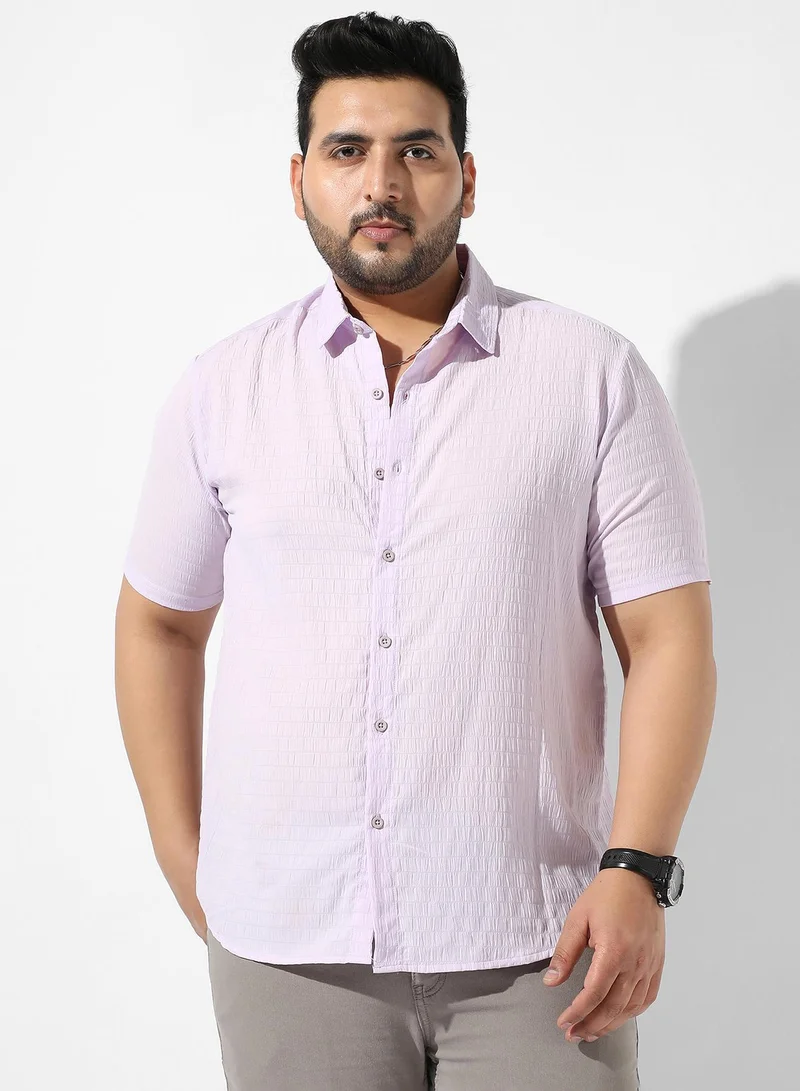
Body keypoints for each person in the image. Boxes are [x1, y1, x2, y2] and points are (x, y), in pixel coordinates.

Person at [114, 11, 716, 1090]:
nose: (380, 183)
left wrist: (636, 865)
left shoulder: (590, 376)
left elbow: (667, 636)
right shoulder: (223, 390)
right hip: (289, 948)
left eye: (417, 150)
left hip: (541, 940)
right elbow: (158, 620)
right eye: (346, 150)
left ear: (466, 179)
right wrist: (180, 847)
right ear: (298, 180)